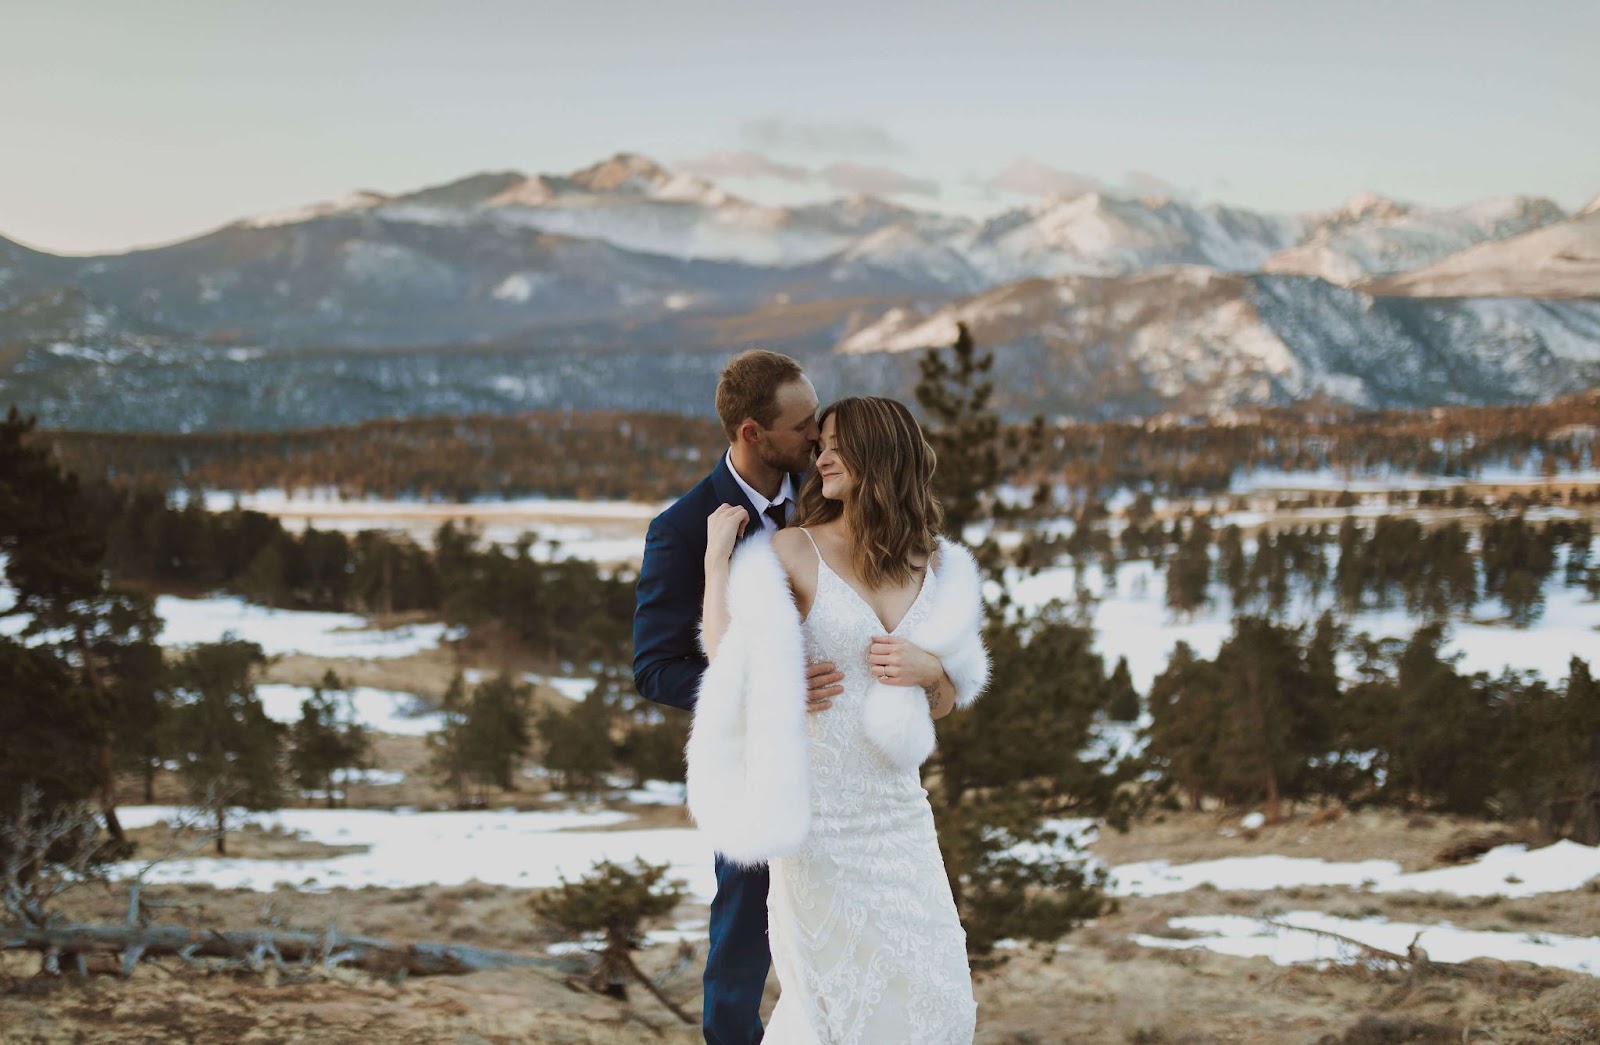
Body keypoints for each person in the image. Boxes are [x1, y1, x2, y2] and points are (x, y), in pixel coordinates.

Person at [690, 395, 987, 1043]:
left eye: (836, 442)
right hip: (819, 826)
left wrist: (930, 671)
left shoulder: (932, 563)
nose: (820, 455)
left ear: (881, 453)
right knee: (838, 1014)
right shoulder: (794, 551)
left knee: (941, 1006)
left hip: (901, 818)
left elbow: (948, 698)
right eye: (818, 442)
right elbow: (726, 659)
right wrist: (717, 563)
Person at [633, 349, 846, 1044]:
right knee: (745, 936)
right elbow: (656, 667)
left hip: (846, 755)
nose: (818, 435)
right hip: (753, 765)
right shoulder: (683, 527)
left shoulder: (832, 495)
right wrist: (766, 689)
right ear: (752, 433)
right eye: (803, 424)